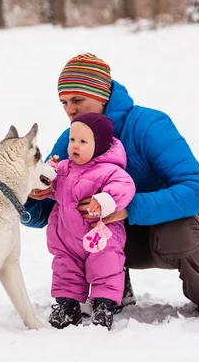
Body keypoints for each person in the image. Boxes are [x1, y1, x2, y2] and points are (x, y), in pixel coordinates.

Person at [24, 53, 199, 319]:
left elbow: (197, 189)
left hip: (166, 233)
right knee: (71, 222)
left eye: (78, 100)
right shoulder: (72, 140)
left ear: (102, 95)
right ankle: (114, 292)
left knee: (178, 232)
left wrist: (128, 208)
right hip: (109, 240)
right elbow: (47, 212)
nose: (70, 110)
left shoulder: (150, 125)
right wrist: (28, 196)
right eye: (64, 102)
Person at [45, 113, 135, 331]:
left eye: (83, 141)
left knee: (106, 267)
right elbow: (49, 181)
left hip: (100, 236)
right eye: (72, 140)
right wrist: (42, 180)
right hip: (66, 238)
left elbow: (124, 187)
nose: (75, 146)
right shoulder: (64, 168)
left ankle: (104, 305)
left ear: (100, 145)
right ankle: (68, 306)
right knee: (65, 269)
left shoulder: (110, 170)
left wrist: (105, 200)